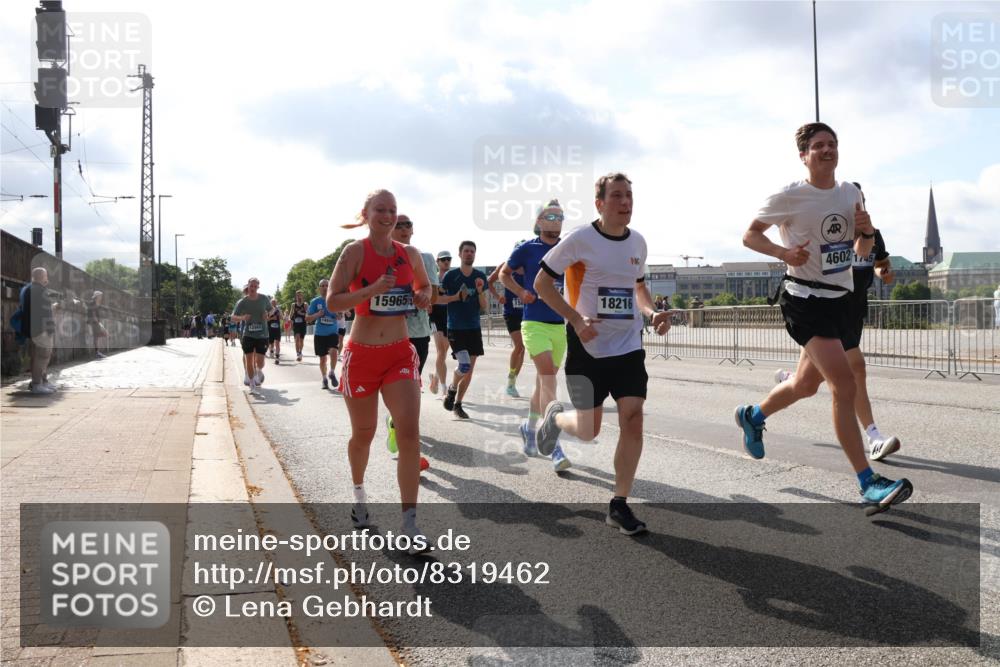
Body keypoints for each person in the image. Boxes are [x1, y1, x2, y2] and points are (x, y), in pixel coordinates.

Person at [736, 122, 912, 517]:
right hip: (804, 300)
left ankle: (753, 415)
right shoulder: (789, 196)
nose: (827, 150)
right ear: (804, 155)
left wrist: (867, 234)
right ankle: (868, 482)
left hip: (839, 300)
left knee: (803, 385)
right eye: (818, 146)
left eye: (832, 144)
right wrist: (784, 254)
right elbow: (750, 235)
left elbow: (860, 251)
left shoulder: (850, 192)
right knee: (844, 383)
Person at [534, 174, 670, 535]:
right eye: (617, 196)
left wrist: (651, 313)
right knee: (588, 430)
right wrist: (576, 319)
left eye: (629, 195)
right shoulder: (580, 239)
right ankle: (556, 420)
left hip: (628, 345)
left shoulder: (638, 242)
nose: (625, 202)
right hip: (587, 346)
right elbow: (541, 284)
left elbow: (638, 288)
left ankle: (619, 504)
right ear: (599, 203)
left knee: (633, 418)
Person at [326, 188, 432, 551]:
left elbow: (424, 287)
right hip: (362, 356)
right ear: (366, 214)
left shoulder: (410, 254)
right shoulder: (355, 252)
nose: (388, 216)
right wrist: (371, 290)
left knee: (410, 434)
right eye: (380, 210)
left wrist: (423, 295)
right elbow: (333, 301)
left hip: (399, 353)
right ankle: (359, 497)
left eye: (392, 210)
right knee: (364, 433)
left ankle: (410, 525)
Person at [774, 182, 901, 461]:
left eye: (861, 202)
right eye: (852, 202)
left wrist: (884, 274)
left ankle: (758, 411)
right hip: (829, 310)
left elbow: (880, 263)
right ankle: (873, 437)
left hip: (854, 312)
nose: (857, 208)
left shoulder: (873, 234)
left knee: (806, 383)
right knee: (856, 370)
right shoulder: (828, 231)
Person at [501, 199, 572, 472]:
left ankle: (528, 428)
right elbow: (504, 274)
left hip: (558, 325)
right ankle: (554, 446)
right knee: (549, 380)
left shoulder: (567, 249)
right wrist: (521, 292)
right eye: (550, 216)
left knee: (543, 384)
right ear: (539, 221)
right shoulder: (527, 249)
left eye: (560, 216)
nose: (556, 221)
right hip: (533, 324)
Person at [385, 214, 436, 469]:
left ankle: (396, 424)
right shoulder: (381, 257)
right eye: (399, 225)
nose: (404, 228)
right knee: (405, 392)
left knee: (412, 388)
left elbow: (432, 294)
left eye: (408, 225)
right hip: (392, 333)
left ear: (413, 230)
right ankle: (411, 454)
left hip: (419, 332)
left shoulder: (424, 258)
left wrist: (422, 295)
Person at [439, 241, 489, 420]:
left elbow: (484, 306)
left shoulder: (480, 276)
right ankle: (452, 388)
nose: (469, 254)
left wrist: (480, 291)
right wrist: (456, 297)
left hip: (473, 328)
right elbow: (439, 299)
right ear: (460, 254)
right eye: (466, 251)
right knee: (464, 365)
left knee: (469, 370)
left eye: (472, 251)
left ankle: (458, 403)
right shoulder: (450, 276)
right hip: (455, 327)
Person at [19, 267, 60, 394]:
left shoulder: (29, 289)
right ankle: (37, 384)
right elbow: (44, 311)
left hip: (34, 329)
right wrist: (56, 306)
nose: (47, 278)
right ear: (42, 277)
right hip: (41, 329)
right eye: (46, 276)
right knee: (42, 356)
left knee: (38, 356)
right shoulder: (40, 290)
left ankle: (41, 382)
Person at [488, 260, 525, 397]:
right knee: (519, 346)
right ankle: (511, 380)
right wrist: (498, 296)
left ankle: (512, 383)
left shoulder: (530, 264)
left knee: (523, 350)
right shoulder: (506, 265)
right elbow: (489, 282)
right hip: (511, 313)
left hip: (527, 313)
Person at [231, 277, 274, 393]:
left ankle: (258, 370)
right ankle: (251, 383)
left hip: (262, 334)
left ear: (258, 287)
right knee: (249, 359)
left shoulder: (264, 298)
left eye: (255, 286)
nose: (253, 288)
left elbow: (272, 310)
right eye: (251, 286)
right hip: (248, 334)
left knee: (260, 362)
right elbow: (233, 317)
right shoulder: (242, 302)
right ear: (248, 286)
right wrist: (242, 318)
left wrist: (268, 314)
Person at [307, 278, 341, 391]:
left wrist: (338, 315)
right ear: (319, 288)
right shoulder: (315, 302)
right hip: (320, 334)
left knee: (334, 351)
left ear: (329, 287)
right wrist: (317, 315)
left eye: (327, 285)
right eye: (322, 286)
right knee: (323, 359)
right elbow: (308, 318)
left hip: (332, 332)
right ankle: (324, 379)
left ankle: (332, 372)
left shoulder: (334, 300)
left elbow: (340, 315)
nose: (325, 287)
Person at [428, 250, 452, 395]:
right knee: (441, 351)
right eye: (443, 260)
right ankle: (444, 388)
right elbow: (427, 295)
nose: (446, 262)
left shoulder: (454, 277)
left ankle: (435, 379)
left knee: (443, 353)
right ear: (437, 262)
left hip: (450, 317)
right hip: (436, 316)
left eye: (448, 259)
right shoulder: (433, 278)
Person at [86, 290, 108, 359]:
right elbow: (93, 314)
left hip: (95, 322)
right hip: (94, 322)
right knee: (98, 336)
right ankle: (97, 353)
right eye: (100, 296)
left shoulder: (95, 303)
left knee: (98, 336)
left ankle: (97, 352)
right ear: (97, 296)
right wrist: (98, 323)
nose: (101, 297)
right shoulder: (92, 303)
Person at [290, 290, 309, 361]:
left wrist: (302, 314)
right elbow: (291, 314)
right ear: (296, 296)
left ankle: (300, 351)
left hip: (303, 324)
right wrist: (290, 319)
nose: (299, 297)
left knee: (301, 340)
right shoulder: (293, 305)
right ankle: (298, 353)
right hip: (296, 324)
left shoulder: (305, 304)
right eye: (297, 295)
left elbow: (308, 314)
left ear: (302, 296)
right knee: (297, 339)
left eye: (300, 295)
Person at [266, 298, 283, 363]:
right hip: (270, 329)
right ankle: (271, 351)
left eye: (275, 302)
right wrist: (272, 318)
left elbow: (282, 318)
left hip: (277, 329)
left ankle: (277, 357)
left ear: (276, 303)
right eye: (272, 302)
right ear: (270, 303)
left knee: (277, 343)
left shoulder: (278, 310)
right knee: (271, 343)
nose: (274, 303)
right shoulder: (268, 310)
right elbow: (266, 319)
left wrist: (280, 315)